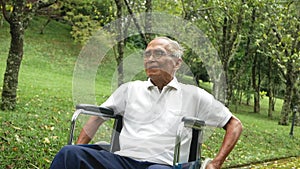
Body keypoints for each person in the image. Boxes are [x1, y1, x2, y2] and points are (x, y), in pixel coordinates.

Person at [50, 37, 243, 169]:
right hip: (122, 161)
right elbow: (97, 118)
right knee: (70, 154)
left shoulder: (194, 95)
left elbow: (234, 124)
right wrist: (79, 147)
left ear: (177, 63)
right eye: (147, 54)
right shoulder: (130, 89)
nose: (150, 59)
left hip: (163, 165)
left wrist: (216, 163)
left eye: (158, 54)